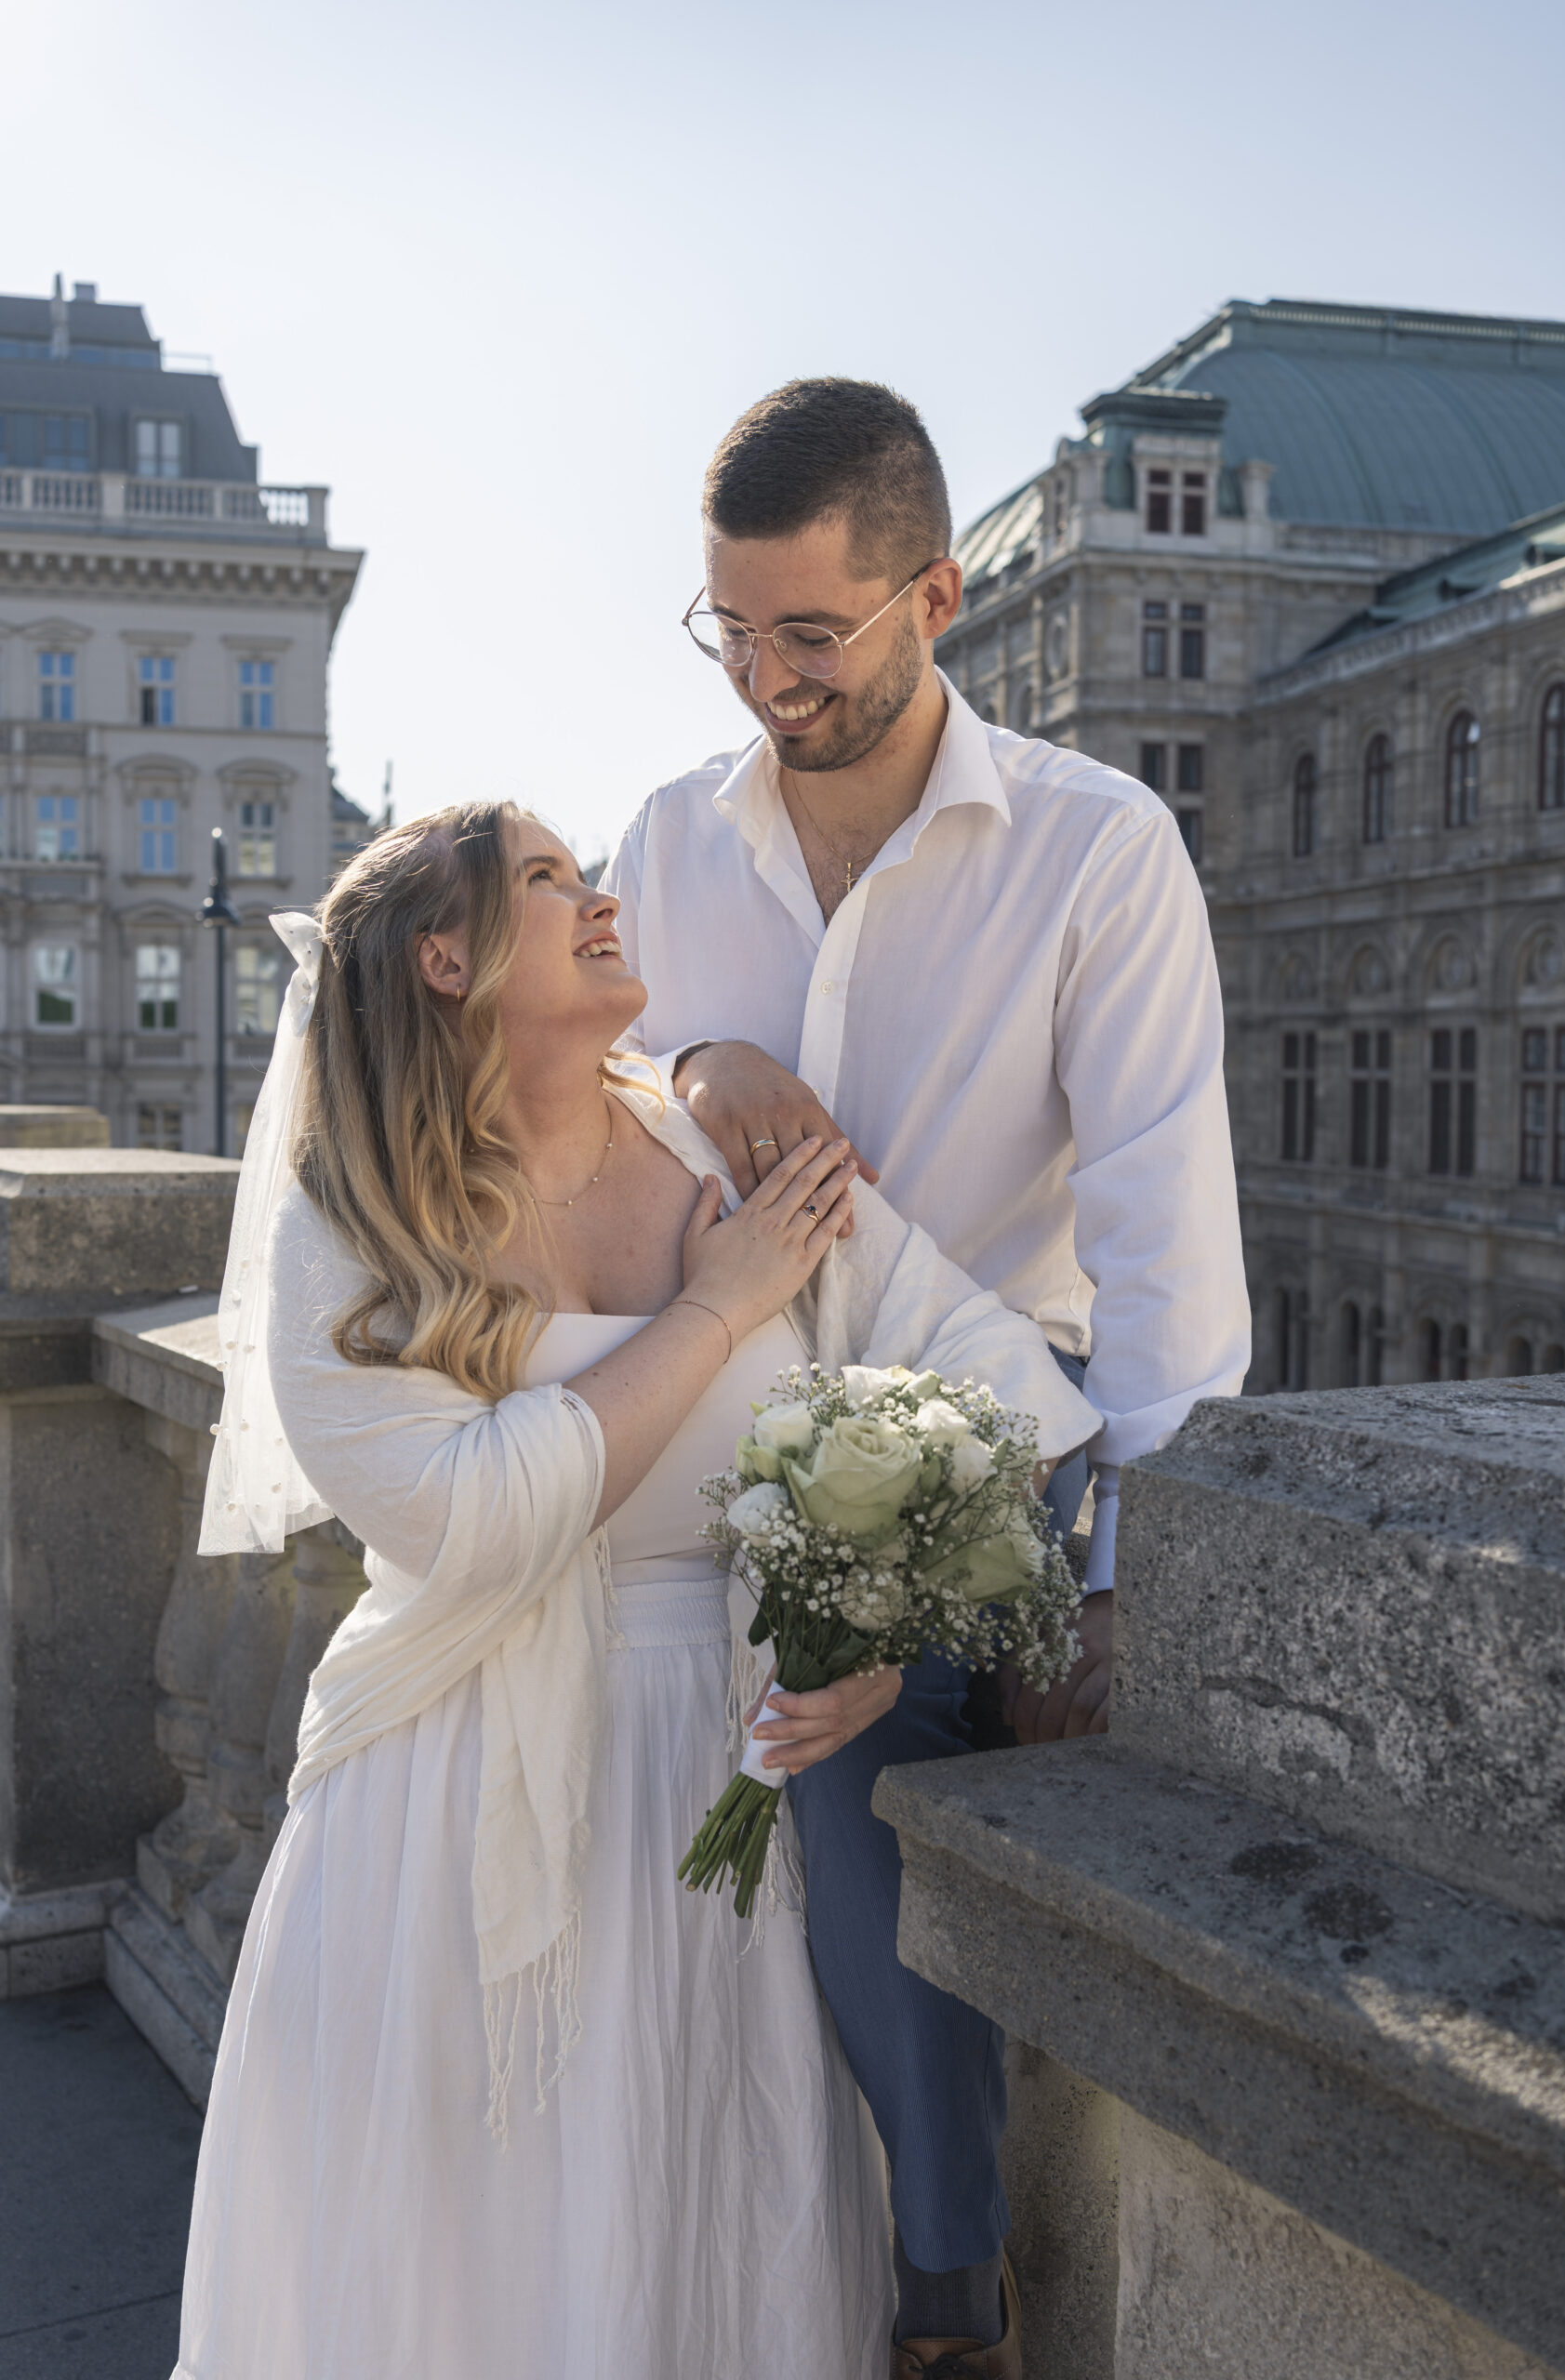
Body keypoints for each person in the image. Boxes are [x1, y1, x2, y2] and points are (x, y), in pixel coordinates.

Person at [172, 800, 1097, 2380]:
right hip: (455, 1806)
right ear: (445, 957)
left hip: (735, 1788)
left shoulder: (715, 1148)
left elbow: (997, 1376)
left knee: (714, 2237)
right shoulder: (357, 1230)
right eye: (547, 880)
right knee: (492, 2268)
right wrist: (725, 1306)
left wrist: (890, 1629)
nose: (599, 898)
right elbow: (470, 1516)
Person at [603, 377, 1251, 2375]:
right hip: (695, 1426)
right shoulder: (661, 835)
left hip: (985, 1442)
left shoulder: (1095, 847)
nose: (765, 680)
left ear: (936, 595)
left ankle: (943, 2302)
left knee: (843, 1768)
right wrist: (696, 1065)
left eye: (811, 632)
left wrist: (1114, 1577)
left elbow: (1164, 1250)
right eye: (729, 628)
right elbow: (576, 1096)